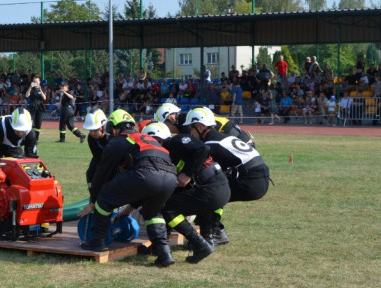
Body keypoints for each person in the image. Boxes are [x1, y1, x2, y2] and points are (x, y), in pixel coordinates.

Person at [78, 109, 179, 267]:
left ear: (113, 128)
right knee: (153, 213)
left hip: (146, 174)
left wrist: (93, 200)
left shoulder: (118, 141)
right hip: (171, 178)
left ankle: (98, 241)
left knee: (104, 198)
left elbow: (101, 173)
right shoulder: (145, 137)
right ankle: (164, 254)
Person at [183, 107, 271, 243]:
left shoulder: (210, 144)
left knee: (205, 193)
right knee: (215, 190)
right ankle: (218, 232)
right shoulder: (221, 138)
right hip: (260, 178)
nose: (191, 133)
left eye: (192, 128)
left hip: (250, 182)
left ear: (200, 127)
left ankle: (209, 237)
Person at [141, 122, 220, 264]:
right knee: (166, 203)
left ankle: (200, 244)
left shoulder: (175, 142)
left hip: (211, 189)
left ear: (157, 139)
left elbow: (203, 148)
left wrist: (188, 174)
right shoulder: (166, 153)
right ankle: (161, 246)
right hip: (213, 189)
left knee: (166, 208)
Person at [82, 109, 109, 192]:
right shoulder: (91, 138)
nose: (93, 133)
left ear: (103, 127)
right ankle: (93, 195)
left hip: (113, 161)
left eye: (95, 130)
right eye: (91, 130)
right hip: (99, 158)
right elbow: (96, 156)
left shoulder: (111, 138)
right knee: (90, 173)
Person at [24, 74, 47, 143]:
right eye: (34, 81)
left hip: (40, 106)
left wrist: (40, 89)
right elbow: (26, 95)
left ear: (39, 82)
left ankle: (36, 139)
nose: (36, 83)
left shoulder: (42, 89)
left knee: (38, 123)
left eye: (37, 81)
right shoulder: (31, 89)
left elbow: (44, 98)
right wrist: (30, 87)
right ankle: (30, 137)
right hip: (33, 106)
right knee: (31, 123)